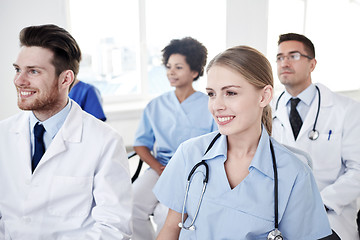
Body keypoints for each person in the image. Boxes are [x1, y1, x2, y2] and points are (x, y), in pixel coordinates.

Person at [154, 45, 332, 239]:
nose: (217, 106)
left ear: (264, 96)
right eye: (212, 94)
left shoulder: (294, 174)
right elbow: (171, 228)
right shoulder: (190, 154)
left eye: (230, 93)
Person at [0, 24, 132, 239]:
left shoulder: (105, 142)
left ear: (65, 79)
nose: (19, 80)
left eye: (33, 71)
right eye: (17, 69)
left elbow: (114, 228)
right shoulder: (3, 134)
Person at [272, 33, 360, 240]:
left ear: (312, 64)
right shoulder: (266, 110)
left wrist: (318, 201)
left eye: (293, 56)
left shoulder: (346, 109)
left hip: (329, 215)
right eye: (279, 57)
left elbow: (357, 169)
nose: (284, 62)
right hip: (277, 216)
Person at [132, 37, 217, 239]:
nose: (171, 72)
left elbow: (217, 145)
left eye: (178, 67)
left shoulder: (210, 106)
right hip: (160, 167)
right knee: (131, 204)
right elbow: (140, 144)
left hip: (194, 172)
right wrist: (157, 167)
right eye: (169, 66)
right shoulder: (155, 105)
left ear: (195, 71)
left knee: (165, 214)